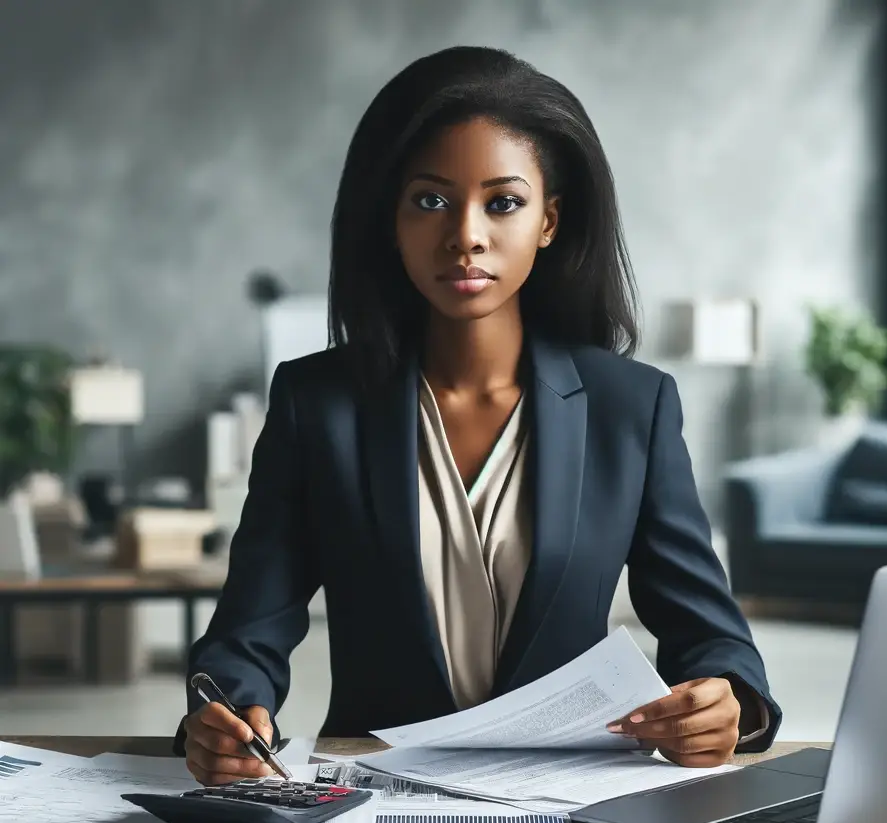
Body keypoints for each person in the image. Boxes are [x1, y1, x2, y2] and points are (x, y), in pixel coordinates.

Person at [178, 45, 781, 785]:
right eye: (430, 200)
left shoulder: (633, 407)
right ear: (390, 219)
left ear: (550, 220)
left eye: (503, 202)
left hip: (572, 801)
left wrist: (729, 704)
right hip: (372, 798)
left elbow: (711, 636)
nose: (466, 233)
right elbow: (249, 630)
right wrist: (228, 715)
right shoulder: (316, 404)